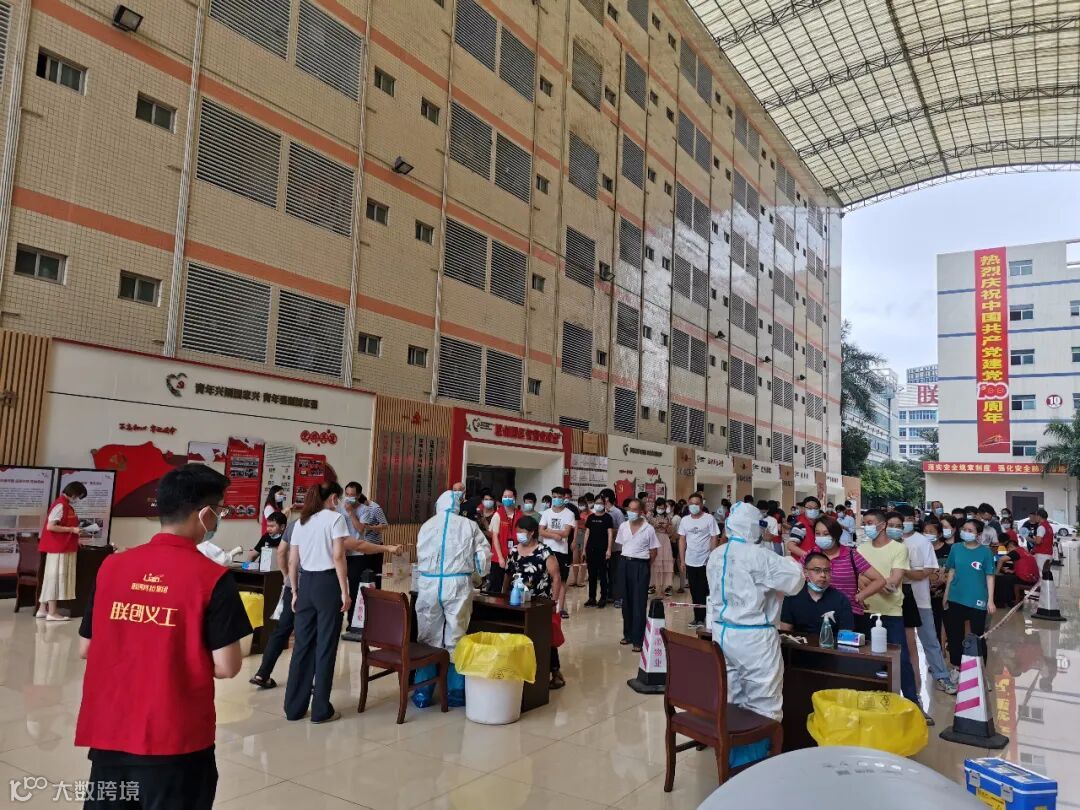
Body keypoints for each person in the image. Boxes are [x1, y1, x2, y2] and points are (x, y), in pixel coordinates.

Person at [75, 465, 252, 809]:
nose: (219, 518)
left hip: (111, 734)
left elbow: (87, 647)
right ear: (206, 513)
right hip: (176, 740)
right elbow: (227, 666)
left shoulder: (113, 566)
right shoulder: (213, 578)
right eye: (221, 510)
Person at [285, 482, 398, 723]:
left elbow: (293, 560)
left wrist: (294, 591)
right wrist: (345, 592)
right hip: (327, 584)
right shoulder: (335, 519)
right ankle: (320, 710)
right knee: (326, 645)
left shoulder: (301, 521)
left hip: (306, 584)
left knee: (302, 646)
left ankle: (293, 708)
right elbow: (339, 556)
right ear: (334, 498)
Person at [707, 501, 803, 723]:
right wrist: (791, 562)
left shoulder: (716, 554)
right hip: (754, 638)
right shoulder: (760, 556)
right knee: (764, 703)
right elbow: (794, 583)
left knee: (730, 695)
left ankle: (732, 741)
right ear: (753, 526)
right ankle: (759, 745)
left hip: (721, 633)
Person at [414, 484, 490, 705]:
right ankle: (455, 692)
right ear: (457, 506)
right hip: (457, 584)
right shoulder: (469, 525)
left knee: (428, 637)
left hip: (428, 584)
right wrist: (479, 575)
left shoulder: (426, 525)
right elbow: (483, 556)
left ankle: (423, 692)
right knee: (456, 637)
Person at [856, 509, 917, 704]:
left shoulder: (899, 549)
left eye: (870, 523)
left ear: (882, 525)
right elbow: (859, 580)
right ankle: (873, 701)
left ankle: (912, 702)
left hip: (892, 613)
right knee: (869, 660)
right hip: (866, 610)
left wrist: (873, 582)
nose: (867, 527)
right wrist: (880, 582)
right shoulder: (860, 549)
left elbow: (894, 582)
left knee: (901, 659)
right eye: (865, 523)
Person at [897, 512, 956, 700]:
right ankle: (905, 683)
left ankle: (942, 676)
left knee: (930, 639)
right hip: (895, 600)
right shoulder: (889, 542)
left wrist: (904, 572)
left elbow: (930, 571)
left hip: (920, 599)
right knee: (899, 643)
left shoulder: (922, 542)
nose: (903, 524)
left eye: (907, 519)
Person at [505, 515, 565, 689]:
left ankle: (555, 673)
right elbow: (508, 575)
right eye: (517, 531)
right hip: (517, 601)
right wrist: (503, 595)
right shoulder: (514, 551)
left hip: (540, 602)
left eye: (522, 532)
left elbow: (556, 577)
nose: (519, 535)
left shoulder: (544, 552)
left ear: (532, 533)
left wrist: (554, 602)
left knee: (545, 638)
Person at [943, 518, 996, 674]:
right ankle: (956, 668)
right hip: (956, 597)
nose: (966, 533)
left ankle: (979, 671)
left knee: (978, 636)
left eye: (970, 531)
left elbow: (990, 576)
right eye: (964, 530)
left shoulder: (985, 552)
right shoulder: (956, 548)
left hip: (977, 599)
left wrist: (990, 600)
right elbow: (951, 571)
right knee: (954, 636)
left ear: (978, 534)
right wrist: (946, 594)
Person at [810, 515, 886, 625]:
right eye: (818, 533)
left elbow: (880, 580)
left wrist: (860, 596)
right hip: (817, 612)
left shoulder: (851, 555)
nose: (821, 537)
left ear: (836, 534)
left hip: (847, 613)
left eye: (826, 534)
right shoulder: (811, 555)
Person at [37, 481, 88, 621]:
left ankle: (42, 609)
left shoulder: (65, 505)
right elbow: (51, 526)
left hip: (62, 546)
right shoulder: (60, 505)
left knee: (50, 578)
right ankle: (52, 612)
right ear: (74, 493)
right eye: (78, 496)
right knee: (55, 578)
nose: (77, 499)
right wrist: (72, 530)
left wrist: (75, 536)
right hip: (59, 548)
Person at [616, 499, 660, 651]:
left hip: (641, 565)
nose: (631, 512)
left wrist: (644, 566)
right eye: (629, 509)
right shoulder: (623, 526)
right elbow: (622, 545)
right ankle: (627, 634)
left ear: (641, 512)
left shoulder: (649, 529)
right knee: (626, 601)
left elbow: (654, 552)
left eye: (635, 510)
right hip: (625, 563)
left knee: (639, 602)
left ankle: (638, 639)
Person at [780, 552, 854, 635]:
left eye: (826, 571)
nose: (823, 575)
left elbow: (845, 635)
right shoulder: (792, 596)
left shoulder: (841, 600)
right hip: (799, 642)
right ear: (805, 572)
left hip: (831, 643)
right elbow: (785, 633)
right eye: (817, 570)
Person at [678, 493, 720, 629]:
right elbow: (682, 540)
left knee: (704, 590)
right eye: (691, 504)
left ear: (702, 504)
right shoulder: (685, 520)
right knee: (694, 590)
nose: (694, 506)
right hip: (690, 560)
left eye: (697, 503)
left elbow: (714, 537)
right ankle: (698, 618)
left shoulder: (709, 519)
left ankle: (705, 617)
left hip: (705, 561)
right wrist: (682, 560)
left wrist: (712, 557)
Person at [539, 487, 574, 618]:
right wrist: (554, 535)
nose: (557, 499)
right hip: (547, 550)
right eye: (554, 497)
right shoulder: (546, 513)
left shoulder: (569, 514)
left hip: (562, 551)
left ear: (564, 498)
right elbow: (541, 531)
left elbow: (566, 533)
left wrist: (549, 530)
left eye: (559, 497)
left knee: (561, 580)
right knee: (546, 579)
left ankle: (560, 608)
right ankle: (546, 606)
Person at [485, 488, 521, 595]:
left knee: (513, 588)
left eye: (510, 496)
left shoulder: (520, 515)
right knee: (496, 587)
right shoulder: (498, 515)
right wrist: (500, 558)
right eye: (505, 497)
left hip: (515, 557)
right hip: (498, 558)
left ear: (515, 498)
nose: (507, 499)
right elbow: (495, 537)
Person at [583, 496, 615, 606]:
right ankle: (591, 598)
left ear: (604, 504)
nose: (598, 505)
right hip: (590, 549)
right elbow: (587, 533)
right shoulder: (590, 517)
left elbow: (610, 534)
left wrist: (609, 549)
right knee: (591, 575)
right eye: (596, 503)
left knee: (602, 575)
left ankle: (603, 597)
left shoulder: (607, 518)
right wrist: (584, 549)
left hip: (603, 550)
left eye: (600, 503)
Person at [994, 535, 1038, 607]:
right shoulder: (1024, 551)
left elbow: (1001, 559)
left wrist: (997, 573)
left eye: (1008, 549)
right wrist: (1012, 571)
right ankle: (1011, 598)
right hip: (1032, 577)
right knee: (1008, 576)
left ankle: (1001, 602)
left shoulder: (1016, 551)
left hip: (1026, 579)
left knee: (999, 579)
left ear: (1011, 546)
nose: (1008, 551)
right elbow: (1024, 565)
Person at [600, 488, 626, 608]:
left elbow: (622, 529)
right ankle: (607, 595)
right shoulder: (601, 512)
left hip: (616, 548)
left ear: (607, 499)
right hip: (603, 547)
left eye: (602, 497)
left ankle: (618, 597)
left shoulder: (617, 513)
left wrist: (609, 531)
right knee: (605, 574)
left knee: (615, 573)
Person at [649, 499, 676, 595]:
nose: (661, 509)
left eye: (663, 508)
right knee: (654, 561)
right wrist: (654, 526)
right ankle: (653, 585)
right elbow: (647, 529)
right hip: (654, 539)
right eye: (659, 507)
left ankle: (667, 586)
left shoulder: (668, 517)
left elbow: (671, 532)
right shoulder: (650, 516)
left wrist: (667, 526)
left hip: (665, 540)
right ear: (656, 507)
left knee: (666, 562)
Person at [785, 496, 821, 561]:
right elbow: (791, 546)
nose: (813, 510)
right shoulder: (800, 526)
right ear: (804, 509)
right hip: (802, 562)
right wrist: (808, 556)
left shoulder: (817, 525)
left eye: (816, 508)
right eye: (809, 508)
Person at [1029, 508, 1054, 574]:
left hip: (1042, 554)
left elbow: (1038, 541)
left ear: (1039, 516)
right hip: (1048, 553)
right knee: (1045, 573)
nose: (1035, 517)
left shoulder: (1041, 527)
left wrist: (1030, 539)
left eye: (1036, 516)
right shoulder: (1048, 526)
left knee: (1040, 574)